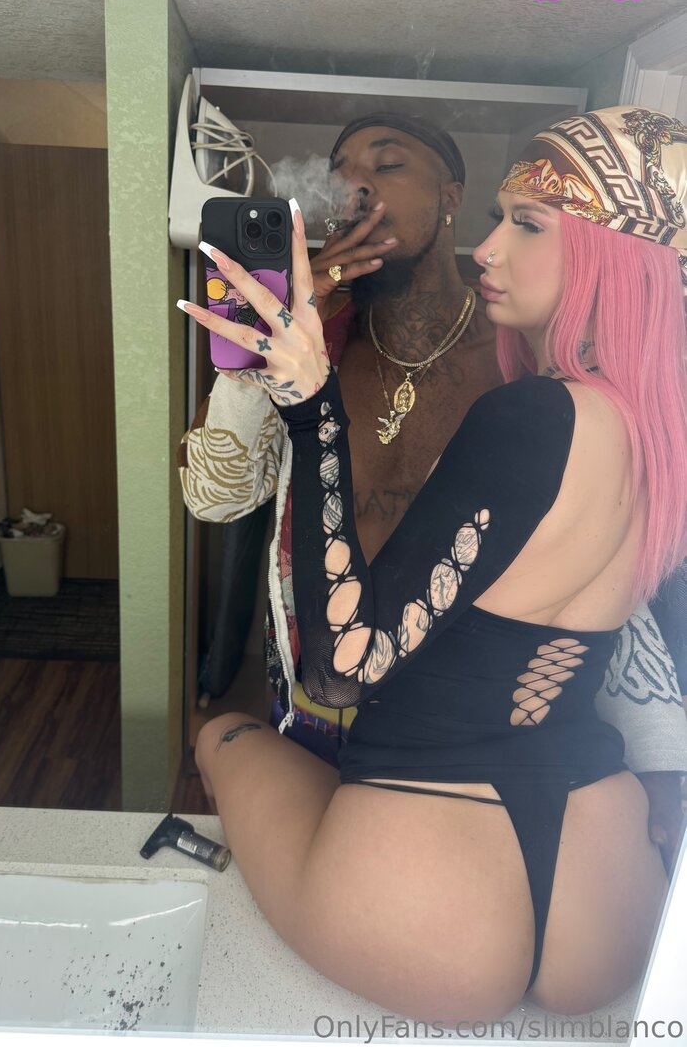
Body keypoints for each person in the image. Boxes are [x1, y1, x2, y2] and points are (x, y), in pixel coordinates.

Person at [178, 106, 687, 1021]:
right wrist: (264, 361)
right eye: (499, 221)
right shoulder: (656, 426)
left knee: (218, 734)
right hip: (604, 887)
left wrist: (311, 405)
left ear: (611, 256)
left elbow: (344, 667)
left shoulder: (528, 409)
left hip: (429, 864)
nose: (489, 249)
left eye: (528, 225)